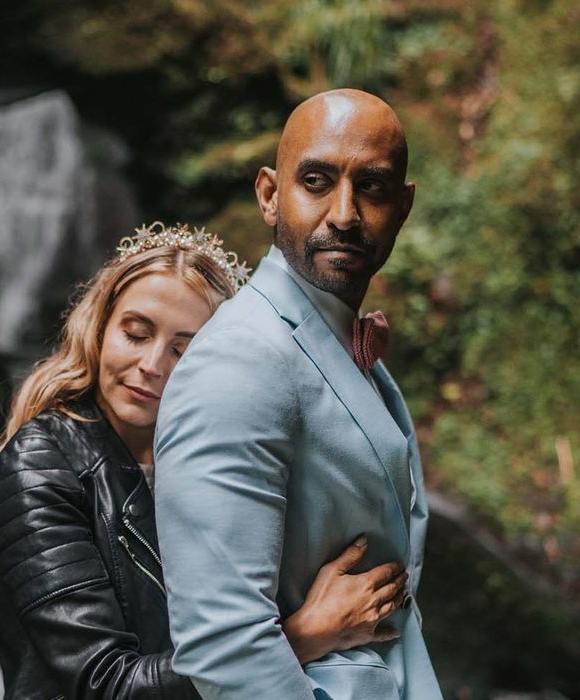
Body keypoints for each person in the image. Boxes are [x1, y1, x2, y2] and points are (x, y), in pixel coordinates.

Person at [0, 222, 410, 699]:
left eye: (185, 348)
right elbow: (106, 686)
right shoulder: (37, 470)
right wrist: (302, 638)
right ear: (99, 328)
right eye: (136, 334)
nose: (153, 365)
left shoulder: (231, 455)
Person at [154, 91, 443, 699]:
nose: (345, 213)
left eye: (373, 186)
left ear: (404, 205)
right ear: (268, 195)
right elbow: (223, 646)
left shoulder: (336, 339)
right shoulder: (240, 360)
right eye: (316, 180)